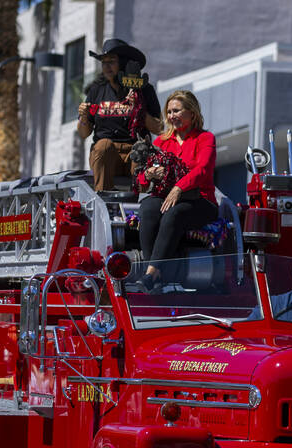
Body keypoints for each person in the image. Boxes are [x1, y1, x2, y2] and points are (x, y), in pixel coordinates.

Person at [136, 90, 218, 291]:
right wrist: (148, 175)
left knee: (174, 213)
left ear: (192, 113)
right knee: (147, 208)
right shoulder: (160, 142)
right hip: (167, 196)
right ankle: (153, 272)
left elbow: (203, 170)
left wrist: (179, 187)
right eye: (169, 111)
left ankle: (152, 273)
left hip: (200, 199)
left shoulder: (205, 138)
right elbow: (141, 180)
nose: (172, 116)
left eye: (177, 111)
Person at [76, 39, 162, 192]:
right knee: (103, 145)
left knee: (141, 151)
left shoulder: (144, 89)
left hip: (135, 151)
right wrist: (83, 117)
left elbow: (159, 128)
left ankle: (137, 209)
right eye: (103, 62)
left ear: (123, 63)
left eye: (111, 61)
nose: (106, 66)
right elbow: (84, 133)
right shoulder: (97, 90)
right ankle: (104, 200)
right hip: (107, 155)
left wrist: (139, 108)